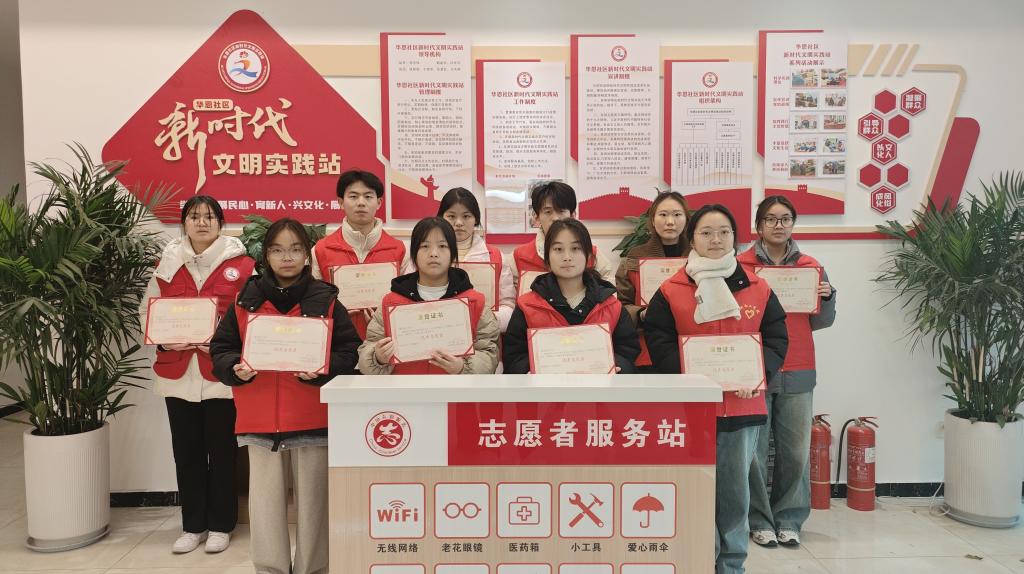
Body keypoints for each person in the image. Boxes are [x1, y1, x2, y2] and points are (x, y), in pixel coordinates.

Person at [210, 218, 361, 574]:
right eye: (278, 250)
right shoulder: (244, 300)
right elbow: (221, 348)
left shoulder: (326, 298)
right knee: (264, 509)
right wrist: (233, 367)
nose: (287, 257)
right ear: (266, 256)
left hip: (312, 417)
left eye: (295, 249)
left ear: (307, 254)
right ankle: (270, 568)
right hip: (259, 419)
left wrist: (324, 370)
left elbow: (349, 349)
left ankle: (314, 569)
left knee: (314, 506)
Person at [643, 204, 788, 574]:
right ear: (692, 238)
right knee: (693, 491)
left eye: (724, 231)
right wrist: (690, 379)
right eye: (706, 232)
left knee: (735, 494)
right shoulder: (671, 289)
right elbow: (659, 342)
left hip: (742, 407)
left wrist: (756, 373)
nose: (716, 239)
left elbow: (776, 338)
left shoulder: (758, 287)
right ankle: (695, 561)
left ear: (735, 237)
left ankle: (732, 564)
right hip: (690, 411)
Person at [140, 196, 254, 554]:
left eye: (209, 217)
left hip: (219, 376)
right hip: (177, 373)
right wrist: (163, 340)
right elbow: (147, 311)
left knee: (222, 454)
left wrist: (224, 345)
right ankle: (193, 526)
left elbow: (251, 318)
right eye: (194, 216)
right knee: (186, 453)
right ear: (184, 223)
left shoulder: (244, 265)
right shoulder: (167, 264)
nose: (202, 223)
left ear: (220, 223)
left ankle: (221, 525)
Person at [740, 195, 837, 548]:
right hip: (755, 367)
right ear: (759, 225)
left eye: (785, 219)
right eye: (770, 219)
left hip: (799, 366)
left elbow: (821, 321)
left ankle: (789, 519)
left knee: (795, 452)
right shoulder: (741, 265)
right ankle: (759, 521)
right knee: (753, 453)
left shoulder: (812, 267)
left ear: (793, 224)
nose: (778, 225)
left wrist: (827, 297)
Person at [357, 217, 499, 375]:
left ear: (453, 254)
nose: (433, 254)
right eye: (424, 246)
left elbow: (489, 354)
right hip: (405, 389)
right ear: (414, 254)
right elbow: (367, 352)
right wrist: (378, 357)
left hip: (456, 390)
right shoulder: (391, 302)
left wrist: (462, 367)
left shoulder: (475, 302)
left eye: (442, 246)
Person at [504, 218, 640, 374]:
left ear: (588, 255)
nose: (567, 257)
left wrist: (617, 366)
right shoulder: (527, 306)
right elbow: (513, 357)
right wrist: (528, 370)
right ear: (547, 257)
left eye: (575, 248)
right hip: (546, 389)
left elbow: (628, 351)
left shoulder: (611, 305)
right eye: (558, 249)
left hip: (599, 388)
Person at [311, 169, 408, 339]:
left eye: (368, 196)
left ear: (379, 202)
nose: (361, 203)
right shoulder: (320, 250)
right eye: (353, 196)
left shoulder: (400, 250)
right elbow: (314, 302)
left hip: (385, 342)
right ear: (341, 202)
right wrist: (337, 313)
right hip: (338, 342)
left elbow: (407, 302)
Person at [614, 191, 690, 368]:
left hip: (690, 344)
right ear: (653, 220)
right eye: (663, 215)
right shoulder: (634, 257)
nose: (670, 221)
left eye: (677, 215)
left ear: (686, 220)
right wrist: (641, 314)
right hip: (646, 346)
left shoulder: (699, 258)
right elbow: (620, 306)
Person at [509, 181, 615, 293]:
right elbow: (509, 300)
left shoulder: (592, 255)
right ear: (537, 217)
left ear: (573, 215)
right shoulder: (518, 257)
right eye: (548, 212)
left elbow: (609, 296)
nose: (555, 218)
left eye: (561, 211)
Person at [436, 187, 516, 332]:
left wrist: (485, 321)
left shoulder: (495, 256)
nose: (459, 223)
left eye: (466, 216)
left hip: (484, 335)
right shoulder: (426, 254)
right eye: (451, 216)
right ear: (441, 217)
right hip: (439, 331)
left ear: (476, 219)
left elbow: (508, 305)